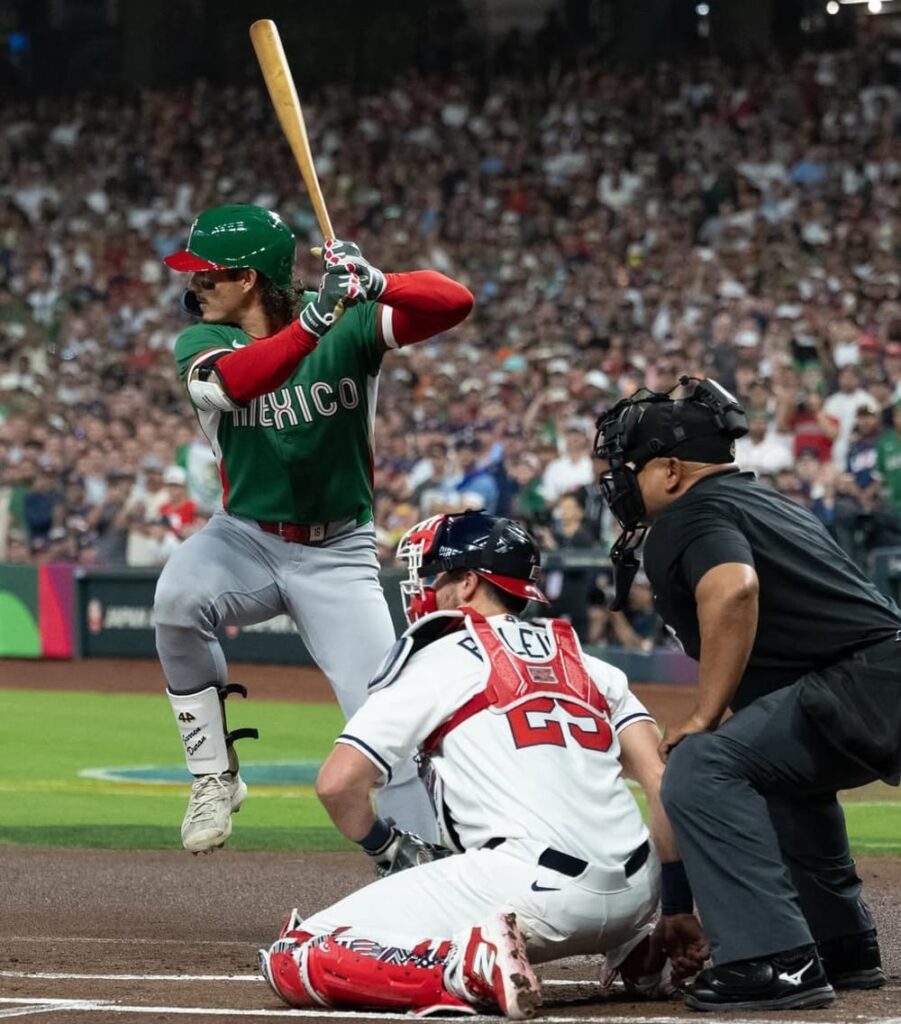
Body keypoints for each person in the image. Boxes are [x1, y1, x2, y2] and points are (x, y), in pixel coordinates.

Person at [258, 510, 705, 1018]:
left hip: (528, 892)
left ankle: (467, 965)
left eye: (437, 576)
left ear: (469, 582)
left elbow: (337, 785)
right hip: (637, 894)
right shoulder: (591, 663)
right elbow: (662, 783)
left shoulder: (440, 657)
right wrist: (674, 907)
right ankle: (641, 954)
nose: (427, 588)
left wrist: (385, 845)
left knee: (295, 954)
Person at [155, 204, 473, 853]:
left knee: (387, 729)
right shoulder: (200, 341)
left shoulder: (348, 321)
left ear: (247, 278)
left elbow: (453, 303)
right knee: (176, 603)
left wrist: (378, 281)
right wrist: (312, 321)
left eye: (207, 275)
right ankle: (215, 773)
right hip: (243, 536)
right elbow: (237, 383)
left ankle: (427, 878)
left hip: (338, 552)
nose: (193, 288)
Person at [593, 376, 901, 1012]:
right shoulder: (769, 503)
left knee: (703, 766)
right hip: (870, 680)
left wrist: (705, 716)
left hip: (866, 682)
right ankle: (839, 944)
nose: (620, 480)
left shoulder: (688, 513)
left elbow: (734, 589)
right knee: (769, 772)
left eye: (631, 466)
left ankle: (772, 961)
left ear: (673, 470)